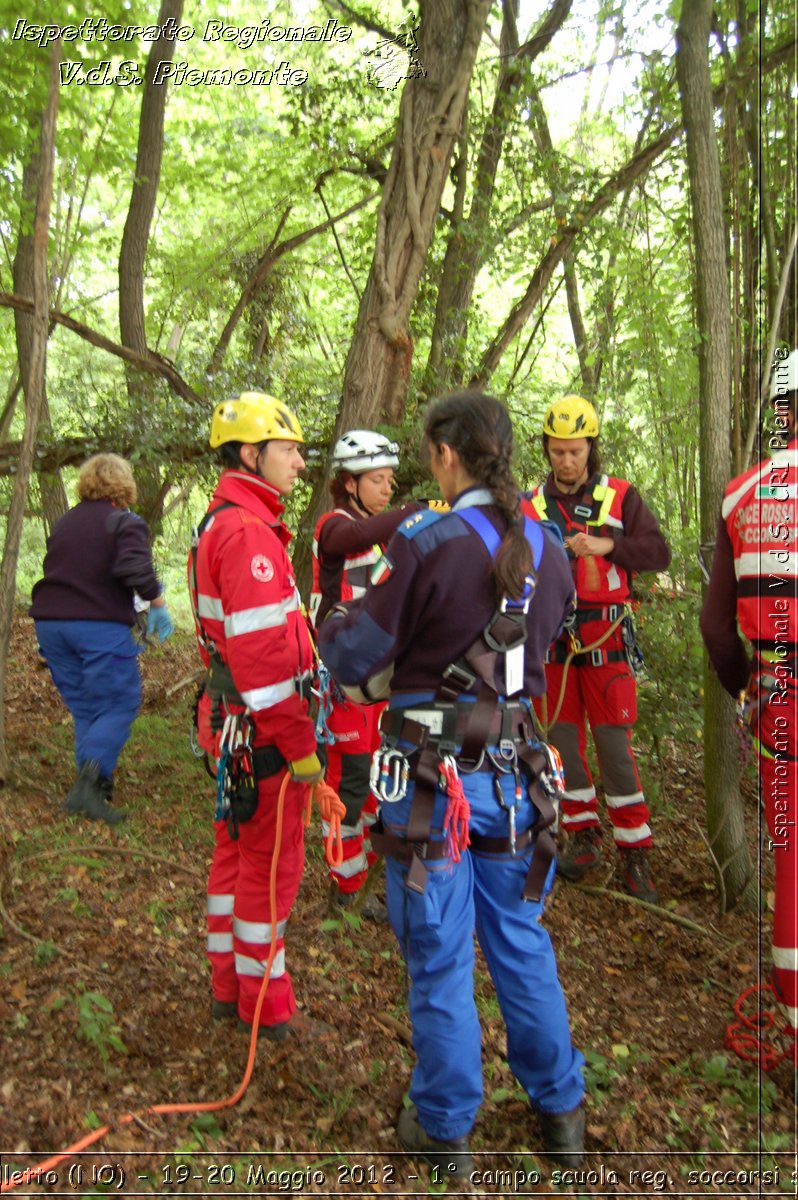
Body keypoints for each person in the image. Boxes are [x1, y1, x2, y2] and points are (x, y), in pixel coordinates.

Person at [318, 391, 585, 1178]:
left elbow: (351, 653)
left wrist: (346, 644)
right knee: (521, 941)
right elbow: (545, 637)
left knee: (437, 953)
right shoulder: (551, 545)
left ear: (445, 456)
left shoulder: (429, 542)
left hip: (431, 782)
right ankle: (560, 1114)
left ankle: (444, 1129)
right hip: (514, 776)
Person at [189, 391, 330, 1043]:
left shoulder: (227, 521)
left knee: (236, 861)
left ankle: (227, 991)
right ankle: (265, 1010)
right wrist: (300, 743)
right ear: (253, 454)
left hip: (233, 725)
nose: (299, 463)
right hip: (261, 730)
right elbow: (264, 661)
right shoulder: (248, 534)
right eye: (289, 450)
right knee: (270, 870)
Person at [523, 396, 671, 903]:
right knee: (563, 745)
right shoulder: (529, 506)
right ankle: (583, 838)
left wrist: (611, 545)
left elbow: (658, 552)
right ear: (547, 450)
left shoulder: (620, 497)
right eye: (559, 452)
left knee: (614, 747)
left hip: (605, 639)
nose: (567, 461)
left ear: (591, 449)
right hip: (553, 646)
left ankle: (635, 852)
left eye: (576, 452)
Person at [700, 349, 797, 1061]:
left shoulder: (742, 496)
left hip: (775, 701)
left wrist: (745, 685)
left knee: (790, 860)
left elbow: (714, 626)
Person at [309, 430, 419, 915]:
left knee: (375, 776)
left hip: (379, 678)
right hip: (342, 677)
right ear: (349, 484)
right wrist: (415, 513)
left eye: (390, 480)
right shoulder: (334, 526)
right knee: (350, 777)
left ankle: (363, 871)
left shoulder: (385, 532)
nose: (387, 488)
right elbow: (352, 538)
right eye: (378, 480)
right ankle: (345, 886)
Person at [30, 453, 172, 824]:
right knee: (121, 701)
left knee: (87, 706)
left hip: (50, 625)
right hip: (95, 626)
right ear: (123, 484)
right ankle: (88, 787)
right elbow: (134, 566)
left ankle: (95, 784)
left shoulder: (66, 522)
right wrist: (157, 602)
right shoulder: (122, 521)